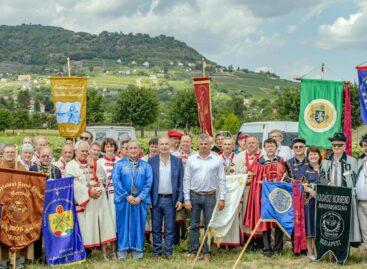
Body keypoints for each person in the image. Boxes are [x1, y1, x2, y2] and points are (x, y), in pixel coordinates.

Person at [65, 141, 116, 259]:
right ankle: (85, 252)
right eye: (82, 151)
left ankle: (96, 250)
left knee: (100, 224)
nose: (84, 153)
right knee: (85, 227)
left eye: (86, 151)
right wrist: (88, 192)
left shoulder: (94, 162)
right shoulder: (70, 165)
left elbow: (103, 179)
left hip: (97, 199)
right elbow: (72, 183)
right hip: (83, 202)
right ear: (76, 151)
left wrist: (94, 166)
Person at [184, 133, 226, 262]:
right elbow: (187, 179)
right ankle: (193, 251)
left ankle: (206, 252)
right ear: (198, 144)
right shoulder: (191, 159)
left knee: (209, 225)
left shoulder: (217, 159)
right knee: (194, 225)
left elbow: (222, 179)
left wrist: (222, 198)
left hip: (210, 196)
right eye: (201, 144)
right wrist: (186, 198)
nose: (203, 146)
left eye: (206, 144)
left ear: (210, 145)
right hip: (194, 195)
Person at [244, 138, 287, 257]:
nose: (270, 148)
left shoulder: (281, 161)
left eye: (272, 146)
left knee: (278, 222)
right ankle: (266, 248)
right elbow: (256, 181)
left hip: (278, 197)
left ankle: (278, 247)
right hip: (265, 197)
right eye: (267, 146)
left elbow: (286, 178)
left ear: (276, 147)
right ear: (264, 148)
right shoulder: (259, 162)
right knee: (265, 222)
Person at [113, 140, 153, 260]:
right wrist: (127, 196)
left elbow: (148, 183)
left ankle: (137, 250)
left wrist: (140, 197)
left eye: (136, 148)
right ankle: (122, 250)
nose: (133, 150)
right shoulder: (119, 164)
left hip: (140, 200)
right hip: (124, 200)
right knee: (122, 224)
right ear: (127, 150)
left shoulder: (146, 166)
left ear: (139, 149)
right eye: (131, 148)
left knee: (138, 224)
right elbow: (116, 181)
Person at [320, 132, 361, 244]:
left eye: (339, 145)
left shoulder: (352, 161)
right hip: (330, 198)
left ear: (344, 146)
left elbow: (357, 179)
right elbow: (321, 177)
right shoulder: (326, 161)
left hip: (346, 197)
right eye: (334, 146)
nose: (336, 148)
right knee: (332, 222)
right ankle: (332, 246)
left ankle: (345, 248)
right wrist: (328, 183)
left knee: (345, 222)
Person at [148, 137, 184, 259]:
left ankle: (168, 251)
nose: (164, 146)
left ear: (170, 145)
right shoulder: (151, 161)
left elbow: (181, 182)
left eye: (166, 144)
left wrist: (180, 199)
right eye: (161, 144)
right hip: (156, 199)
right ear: (158, 146)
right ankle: (157, 251)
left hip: (170, 199)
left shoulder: (177, 161)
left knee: (170, 228)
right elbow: (148, 182)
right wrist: (148, 199)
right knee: (156, 227)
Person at [0, 144, 30, 269]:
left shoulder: (21, 167)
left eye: (12, 152)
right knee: (3, 234)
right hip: (2, 207)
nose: (10, 154)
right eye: (8, 152)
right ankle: (3, 261)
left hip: (17, 206)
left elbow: (29, 183)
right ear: (3, 154)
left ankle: (18, 260)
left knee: (18, 233)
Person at [234, 135, 262, 247]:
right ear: (245, 144)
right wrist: (246, 178)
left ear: (258, 144)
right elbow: (234, 173)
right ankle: (247, 241)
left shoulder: (263, 156)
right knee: (245, 213)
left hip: (259, 191)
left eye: (253, 143)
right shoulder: (239, 156)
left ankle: (259, 241)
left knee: (258, 214)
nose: (251, 144)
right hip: (244, 190)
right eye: (249, 143)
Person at [172, 134, 196, 244]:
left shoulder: (196, 155)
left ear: (191, 143)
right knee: (177, 215)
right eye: (183, 141)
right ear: (180, 142)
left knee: (191, 215)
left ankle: (190, 241)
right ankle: (176, 241)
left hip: (192, 188)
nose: (185, 143)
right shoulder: (174, 155)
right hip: (177, 189)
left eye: (188, 141)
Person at [219, 137, 241, 248]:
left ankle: (232, 242)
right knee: (221, 216)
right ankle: (221, 242)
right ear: (221, 146)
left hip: (234, 193)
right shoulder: (216, 159)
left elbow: (242, 175)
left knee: (232, 216)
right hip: (220, 193)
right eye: (225, 144)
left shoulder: (239, 159)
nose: (227, 147)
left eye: (229, 144)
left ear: (233, 146)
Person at [302, 146, 322, 260]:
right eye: (311, 155)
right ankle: (310, 251)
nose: (313, 156)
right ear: (308, 156)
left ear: (319, 156)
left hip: (323, 201)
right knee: (310, 226)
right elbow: (301, 184)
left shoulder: (324, 168)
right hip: (309, 201)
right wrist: (311, 191)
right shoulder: (304, 169)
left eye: (315, 154)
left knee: (320, 225)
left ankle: (319, 250)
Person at [356, 134, 367, 251]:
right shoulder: (360, 160)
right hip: (360, 200)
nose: (366, 148)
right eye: (364, 146)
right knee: (364, 228)